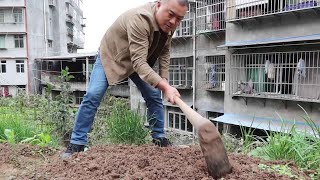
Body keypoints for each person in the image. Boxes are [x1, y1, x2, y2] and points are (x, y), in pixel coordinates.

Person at [62, 0, 188, 158]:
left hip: (139, 58)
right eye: (171, 15)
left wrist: (164, 80)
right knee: (93, 95)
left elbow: (164, 52)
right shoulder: (140, 18)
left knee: (154, 96)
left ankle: (159, 139)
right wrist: (165, 87)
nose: (173, 22)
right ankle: (77, 143)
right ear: (158, 5)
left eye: (179, 19)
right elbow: (139, 63)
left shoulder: (168, 24)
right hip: (113, 56)